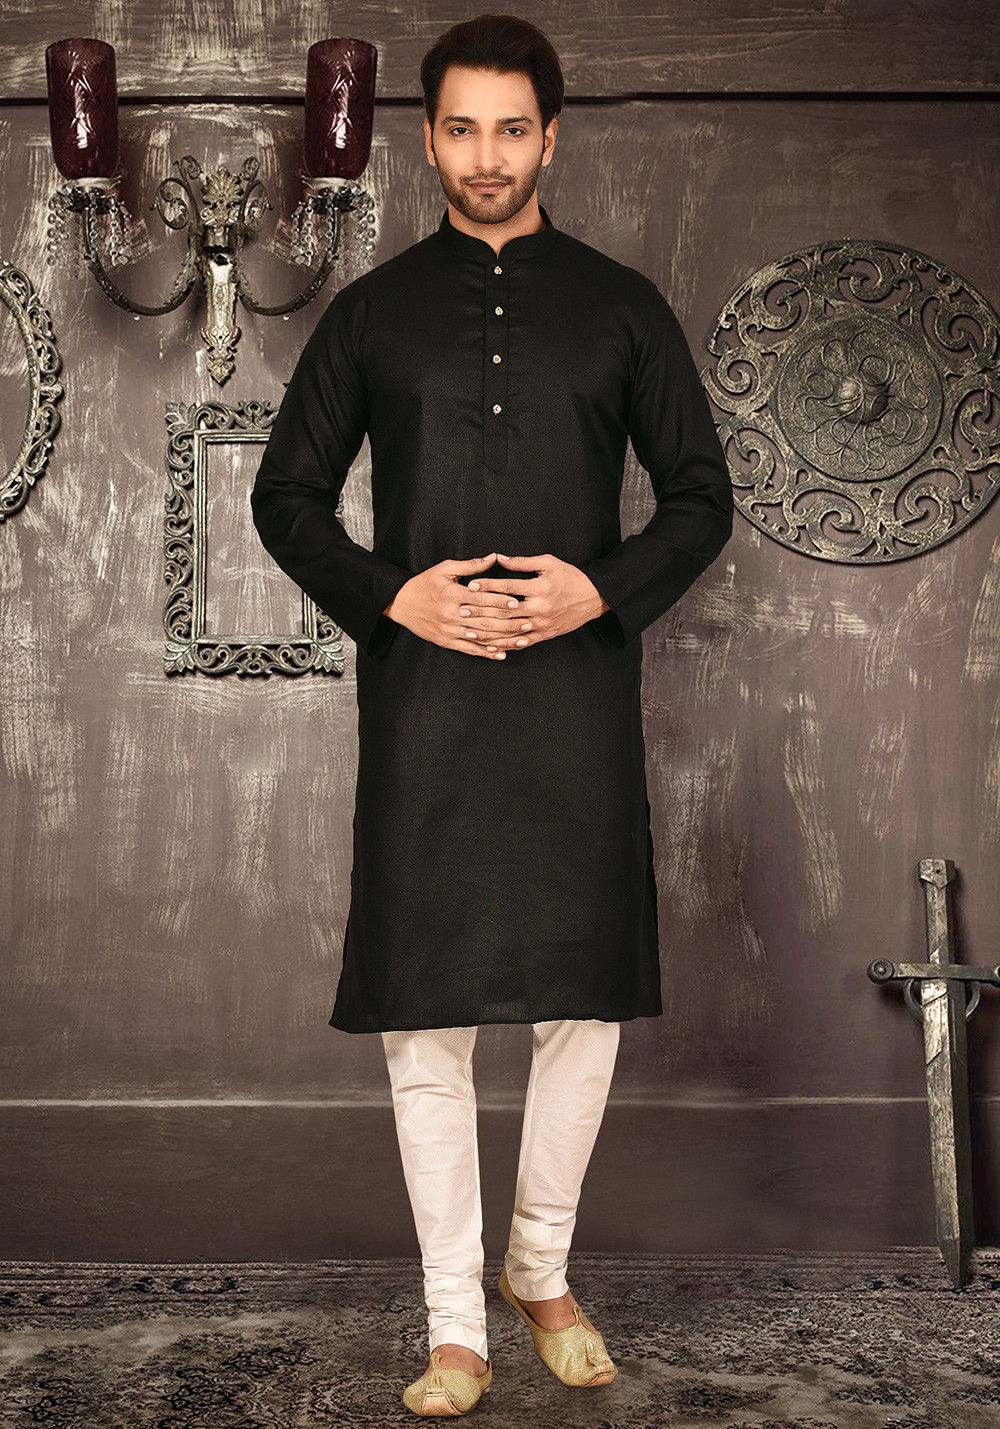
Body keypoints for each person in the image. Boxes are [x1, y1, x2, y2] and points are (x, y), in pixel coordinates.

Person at [250, 13, 733, 1417]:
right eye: (460, 128)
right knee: (428, 1018)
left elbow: (699, 497)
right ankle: (456, 1322)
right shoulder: (373, 312)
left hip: (578, 696)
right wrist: (393, 597)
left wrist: (600, 589)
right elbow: (287, 497)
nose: (485, 155)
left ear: (551, 138)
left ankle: (543, 1271)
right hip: (428, 709)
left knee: (583, 1002)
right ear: (428, 139)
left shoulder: (624, 306)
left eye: (511, 129)